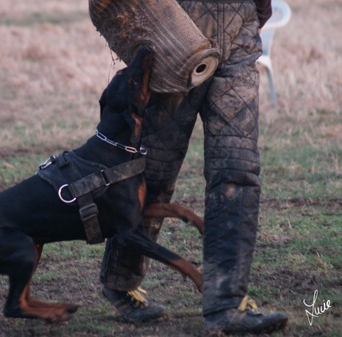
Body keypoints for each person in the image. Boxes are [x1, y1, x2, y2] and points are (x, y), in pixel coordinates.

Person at [99, 0, 289, 334]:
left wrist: (257, 10)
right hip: (175, 27)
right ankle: (122, 279)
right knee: (154, 169)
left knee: (237, 170)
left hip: (238, 29)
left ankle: (228, 302)